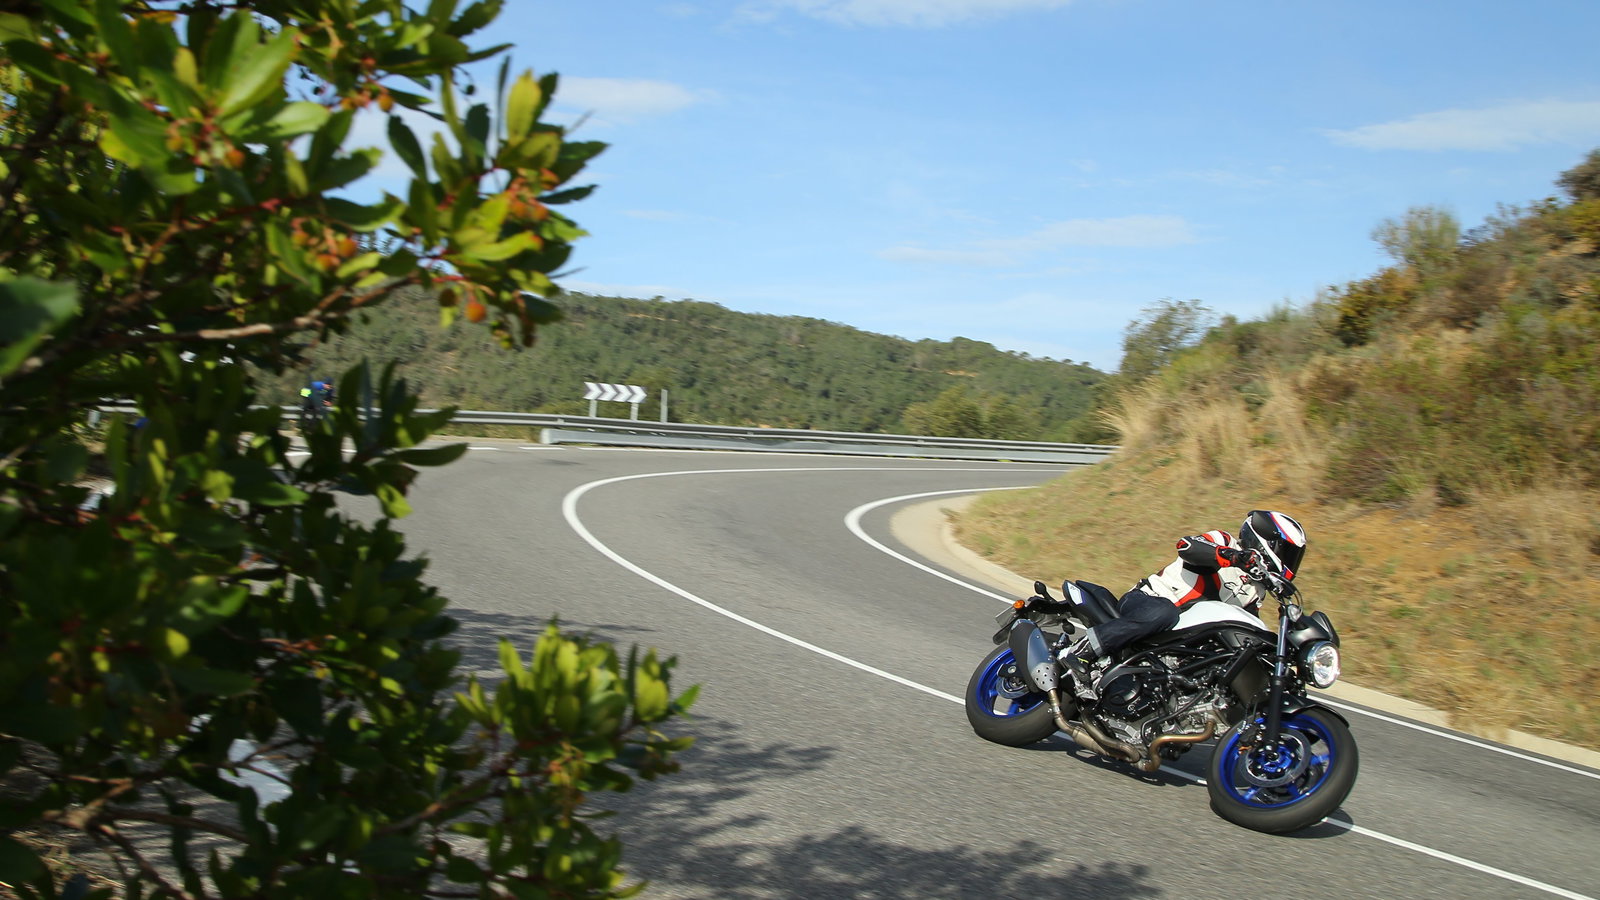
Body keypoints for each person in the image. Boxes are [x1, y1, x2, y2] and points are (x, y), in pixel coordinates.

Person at [1059, 510, 1307, 700]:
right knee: (1164, 611)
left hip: (1182, 635)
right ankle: (1082, 651)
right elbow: (1187, 546)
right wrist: (1233, 557)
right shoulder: (1225, 541)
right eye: (1287, 552)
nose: (1290, 562)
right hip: (1148, 602)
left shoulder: (1256, 591)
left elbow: (1243, 627)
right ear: (1267, 542)